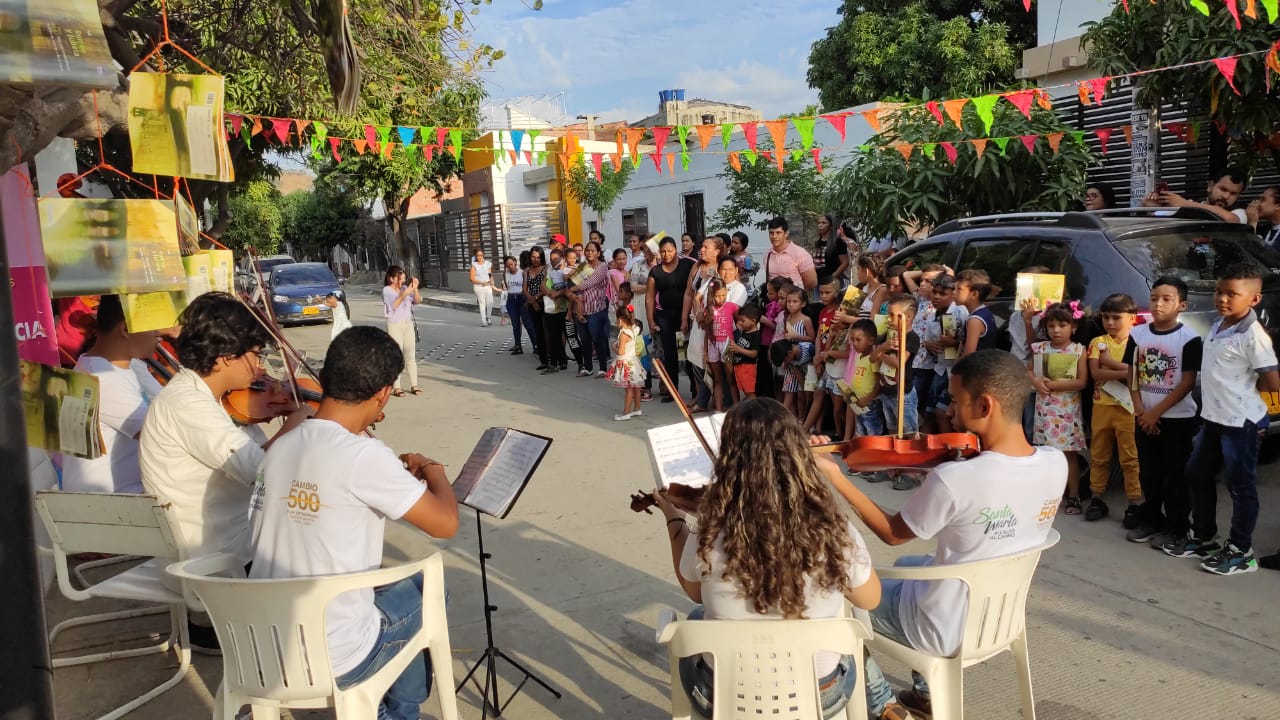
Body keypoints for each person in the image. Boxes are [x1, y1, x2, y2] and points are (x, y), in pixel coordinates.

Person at [823, 350, 1067, 720]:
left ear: (985, 405)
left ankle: (881, 704)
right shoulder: (1056, 462)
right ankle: (926, 695)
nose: (949, 413)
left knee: (835, 600)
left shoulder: (955, 480)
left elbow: (893, 533)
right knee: (911, 564)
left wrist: (836, 478)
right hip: (999, 616)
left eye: (955, 401)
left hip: (943, 627)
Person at [248, 325, 459, 720]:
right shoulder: (364, 455)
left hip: (260, 641)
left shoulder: (282, 444)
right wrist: (434, 470)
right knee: (432, 589)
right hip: (334, 653)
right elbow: (445, 523)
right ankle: (397, 714)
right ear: (382, 393)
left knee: (397, 588)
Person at [651, 398, 884, 720]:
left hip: (726, 697)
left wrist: (672, 515)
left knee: (696, 617)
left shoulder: (711, 531)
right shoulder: (834, 530)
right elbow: (869, 599)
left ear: (728, 459)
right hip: (821, 695)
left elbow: (694, 591)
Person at [140, 293, 313, 655]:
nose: (260, 367)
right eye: (255, 355)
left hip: (227, 545)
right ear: (223, 358)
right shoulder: (188, 405)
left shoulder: (201, 396)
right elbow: (256, 469)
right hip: (217, 566)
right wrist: (294, 425)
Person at [1166, 264, 1279, 575]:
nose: (1223, 299)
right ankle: (1203, 536)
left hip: (1241, 423)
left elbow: (1272, 382)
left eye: (1233, 294)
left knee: (1240, 486)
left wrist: (1243, 391)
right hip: (1213, 419)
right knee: (1196, 474)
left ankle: (1241, 551)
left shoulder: (1253, 336)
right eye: (1219, 291)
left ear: (1253, 299)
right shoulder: (1220, 324)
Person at [1123, 277, 1202, 544]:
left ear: (1182, 305)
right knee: (1149, 473)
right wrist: (1140, 411)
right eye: (1154, 298)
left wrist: (1156, 413)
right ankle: (1151, 520)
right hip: (1143, 417)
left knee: (1176, 476)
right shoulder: (1138, 334)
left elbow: (1187, 381)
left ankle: (1177, 527)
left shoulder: (1189, 338)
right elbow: (1132, 374)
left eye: (1167, 299)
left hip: (1177, 419)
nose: (1158, 304)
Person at [61, 295, 162, 494]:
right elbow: (165, 435)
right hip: (112, 501)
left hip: (130, 492)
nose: (159, 334)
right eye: (153, 327)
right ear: (124, 329)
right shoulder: (100, 378)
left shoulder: (124, 366)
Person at [1084, 293, 1142, 524]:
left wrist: (1111, 366)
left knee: (1130, 457)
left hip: (1129, 408)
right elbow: (1095, 373)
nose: (1109, 323)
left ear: (1132, 318)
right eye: (1106, 317)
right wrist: (1126, 371)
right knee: (1099, 455)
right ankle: (1097, 497)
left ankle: (1135, 503)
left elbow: (1138, 376)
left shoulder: (1138, 342)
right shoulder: (1097, 342)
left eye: (1116, 318)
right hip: (1102, 406)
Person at [1028, 302, 1089, 515]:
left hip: (1067, 411)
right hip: (1044, 410)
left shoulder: (1078, 350)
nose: (1056, 330)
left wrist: (1051, 385)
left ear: (1073, 327)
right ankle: (1047, 495)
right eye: (1051, 325)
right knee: (1045, 454)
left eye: (1062, 325)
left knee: (1068, 454)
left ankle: (1073, 496)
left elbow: (1081, 382)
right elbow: (1029, 371)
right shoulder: (1040, 348)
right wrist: (1036, 382)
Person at [647, 237, 695, 402]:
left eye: (670, 250)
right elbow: (649, 297)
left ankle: (695, 390)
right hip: (664, 316)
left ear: (676, 250)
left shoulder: (688, 265)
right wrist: (651, 321)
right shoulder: (655, 271)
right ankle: (672, 391)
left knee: (689, 354)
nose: (666, 254)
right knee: (670, 355)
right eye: (663, 251)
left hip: (686, 315)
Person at [802, 277, 846, 436]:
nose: (824, 296)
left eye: (828, 292)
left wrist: (823, 357)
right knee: (818, 392)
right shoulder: (822, 311)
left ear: (836, 293)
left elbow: (838, 339)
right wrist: (817, 356)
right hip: (822, 359)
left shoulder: (840, 313)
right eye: (821, 292)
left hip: (834, 362)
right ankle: (807, 429)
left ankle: (841, 434)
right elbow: (820, 335)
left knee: (837, 404)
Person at [921, 275, 966, 433]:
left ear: (952, 294)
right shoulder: (932, 314)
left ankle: (950, 449)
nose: (936, 297)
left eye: (942, 293)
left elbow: (968, 341)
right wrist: (929, 345)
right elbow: (927, 340)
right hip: (939, 370)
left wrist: (954, 342)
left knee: (943, 413)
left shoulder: (961, 312)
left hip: (955, 371)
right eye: (934, 292)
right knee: (929, 413)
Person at [1141, 167, 1249, 223]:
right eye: (1223, 189)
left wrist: (1185, 204)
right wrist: (1151, 208)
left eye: (1233, 193)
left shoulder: (1240, 212)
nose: (1226, 196)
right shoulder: (1190, 205)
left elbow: (1231, 219)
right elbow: (1157, 219)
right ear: (1210, 186)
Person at [568, 241, 612, 377]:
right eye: (587, 250)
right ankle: (588, 367)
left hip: (596, 308)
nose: (589, 253)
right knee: (585, 340)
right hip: (581, 308)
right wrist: (573, 289)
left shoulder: (602, 267)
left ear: (598, 253)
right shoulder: (582, 266)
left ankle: (603, 368)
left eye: (593, 250)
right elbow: (573, 280)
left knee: (598, 339)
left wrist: (572, 289)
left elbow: (588, 283)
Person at [777, 286, 815, 419]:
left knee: (801, 394)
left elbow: (812, 338)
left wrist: (796, 336)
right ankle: (783, 419)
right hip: (789, 360)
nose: (791, 304)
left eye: (795, 302)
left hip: (803, 362)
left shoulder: (805, 320)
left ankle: (801, 419)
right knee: (788, 390)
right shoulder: (786, 319)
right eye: (789, 302)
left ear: (803, 303)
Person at [382, 266, 421, 397]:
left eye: (404, 279)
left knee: (410, 355)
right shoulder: (387, 290)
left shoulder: (405, 288)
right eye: (400, 279)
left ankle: (414, 385)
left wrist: (415, 289)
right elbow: (394, 305)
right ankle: (397, 387)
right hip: (394, 325)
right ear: (392, 278)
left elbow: (417, 301)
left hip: (407, 324)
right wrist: (405, 293)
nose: (403, 282)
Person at [701, 278, 737, 413]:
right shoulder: (707, 310)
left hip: (727, 345)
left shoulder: (732, 307)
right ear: (712, 294)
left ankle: (736, 407)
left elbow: (741, 322)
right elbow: (706, 333)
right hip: (713, 345)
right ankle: (718, 408)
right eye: (717, 296)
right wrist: (705, 352)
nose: (721, 298)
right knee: (717, 379)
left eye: (723, 295)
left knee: (730, 378)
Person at [844, 319, 883, 441]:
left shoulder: (873, 359)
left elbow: (879, 384)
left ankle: (874, 456)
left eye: (858, 340)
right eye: (852, 340)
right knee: (860, 431)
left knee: (872, 432)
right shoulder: (859, 356)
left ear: (871, 340)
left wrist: (867, 399)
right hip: (858, 403)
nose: (854, 343)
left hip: (869, 404)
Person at [609, 304, 647, 421]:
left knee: (629, 388)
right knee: (636, 387)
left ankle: (626, 412)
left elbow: (621, 352)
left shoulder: (624, 334)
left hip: (626, 363)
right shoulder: (634, 329)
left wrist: (614, 347)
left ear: (620, 319)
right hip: (634, 362)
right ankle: (637, 409)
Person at [763, 216, 818, 294]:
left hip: (793, 301)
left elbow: (811, 283)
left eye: (778, 233)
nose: (774, 237)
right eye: (771, 233)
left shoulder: (800, 254)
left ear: (786, 233)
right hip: (774, 302)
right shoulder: (767, 255)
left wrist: (796, 296)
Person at [541, 247, 572, 374]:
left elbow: (568, 287)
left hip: (564, 308)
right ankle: (554, 364)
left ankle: (576, 362)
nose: (553, 261)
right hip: (550, 309)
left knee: (568, 336)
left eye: (556, 259)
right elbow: (542, 285)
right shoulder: (548, 271)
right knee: (553, 337)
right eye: (551, 259)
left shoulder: (567, 271)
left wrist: (558, 293)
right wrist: (550, 293)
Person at [955, 269, 998, 355]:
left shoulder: (975, 320)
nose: (954, 292)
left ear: (974, 294)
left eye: (959, 289)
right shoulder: (984, 312)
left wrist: (956, 367)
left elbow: (968, 354)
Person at [727, 303, 762, 400]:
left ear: (753, 321)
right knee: (746, 392)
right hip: (739, 366)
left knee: (750, 393)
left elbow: (754, 354)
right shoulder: (745, 331)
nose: (740, 322)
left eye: (743, 320)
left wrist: (739, 349)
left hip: (748, 367)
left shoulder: (755, 335)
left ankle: (755, 412)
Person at [502, 255, 536, 355]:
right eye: (508, 266)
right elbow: (507, 287)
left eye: (512, 264)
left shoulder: (523, 273)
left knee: (528, 323)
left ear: (515, 262)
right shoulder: (505, 273)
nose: (510, 267)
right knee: (515, 324)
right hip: (511, 299)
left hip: (522, 297)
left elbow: (527, 287)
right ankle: (518, 346)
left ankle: (536, 345)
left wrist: (527, 300)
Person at [525, 247, 551, 370]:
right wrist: (531, 301)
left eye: (538, 257)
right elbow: (524, 289)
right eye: (533, 257)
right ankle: (543, 361)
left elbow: (546, 287)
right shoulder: (527, 271)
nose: (535, 260)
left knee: (548, 332)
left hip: (544, 303)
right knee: (538, 333)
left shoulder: (546, 269)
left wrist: (535, 298)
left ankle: (553, 359)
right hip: (532, 305)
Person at [469, 248, 495, 327]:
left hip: (487, 285)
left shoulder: (487, 264)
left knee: (490, 302)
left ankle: (488, 317)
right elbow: (472, 278)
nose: (479, 257)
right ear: (476, 256)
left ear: (483, 255)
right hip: (478, 287)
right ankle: (483, 321)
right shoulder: (474, 265)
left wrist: (491, 280)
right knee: (482, 303)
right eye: (478, 255)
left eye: (481, 255)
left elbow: (490, 274)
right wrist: (481, 282)